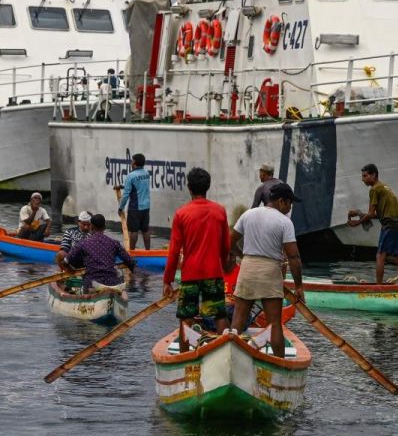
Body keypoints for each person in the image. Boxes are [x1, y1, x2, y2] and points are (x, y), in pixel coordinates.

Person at [229, 183, 304, 358]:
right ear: (281, 201)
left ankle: (231, 358)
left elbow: (230, 243)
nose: (290, 208)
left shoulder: (248, 214)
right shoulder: (285, 222)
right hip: (270, 271)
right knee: (274, 324)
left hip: (248, 267)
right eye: (289, 203)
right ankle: (280, 363)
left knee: (237, 320)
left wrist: (243, 256)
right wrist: (298, 286)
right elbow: (293, 257)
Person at [163, 167, 231, 351]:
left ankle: (185, 358)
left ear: (189, 188)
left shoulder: (181, 214)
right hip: (213, 272)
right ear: (208, 186)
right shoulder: (220, 211)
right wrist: (222, 267)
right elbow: (226, 246)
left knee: (186, 318)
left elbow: (174, 252)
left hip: (190, 274)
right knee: (219, 316)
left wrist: (168, 280)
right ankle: (223, 354)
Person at [347, 163, 398, 284]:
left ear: (373, 175)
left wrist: (357, 222)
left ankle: (379, 287)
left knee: (380, 255)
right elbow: (375, 214)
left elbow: (370, 214)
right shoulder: (384, 187)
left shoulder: (374, 189)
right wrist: (360, 213)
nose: (362, 179)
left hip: (389, 224)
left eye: (365, 176)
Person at [62, 214, 136, 292]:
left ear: (91, 227)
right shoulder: (114, 243)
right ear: (104, 227)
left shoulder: (82, 244)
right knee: (119, 272)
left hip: (91, 285)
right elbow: (130, 262)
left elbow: (65, 262)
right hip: (112, 284)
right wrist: (132, 273)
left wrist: (71, 271)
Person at [118, 153, 151, 250]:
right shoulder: (146, 174)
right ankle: (148, 251)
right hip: (146, 207)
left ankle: (132, 252)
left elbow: (126, 195)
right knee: (145, 229)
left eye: (132, 160)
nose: (131, 162)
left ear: (135, 163)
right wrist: (123, 186)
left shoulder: (131, 176)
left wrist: (121, 208)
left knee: (133, 231)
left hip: (135, 207)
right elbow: (139, 186)